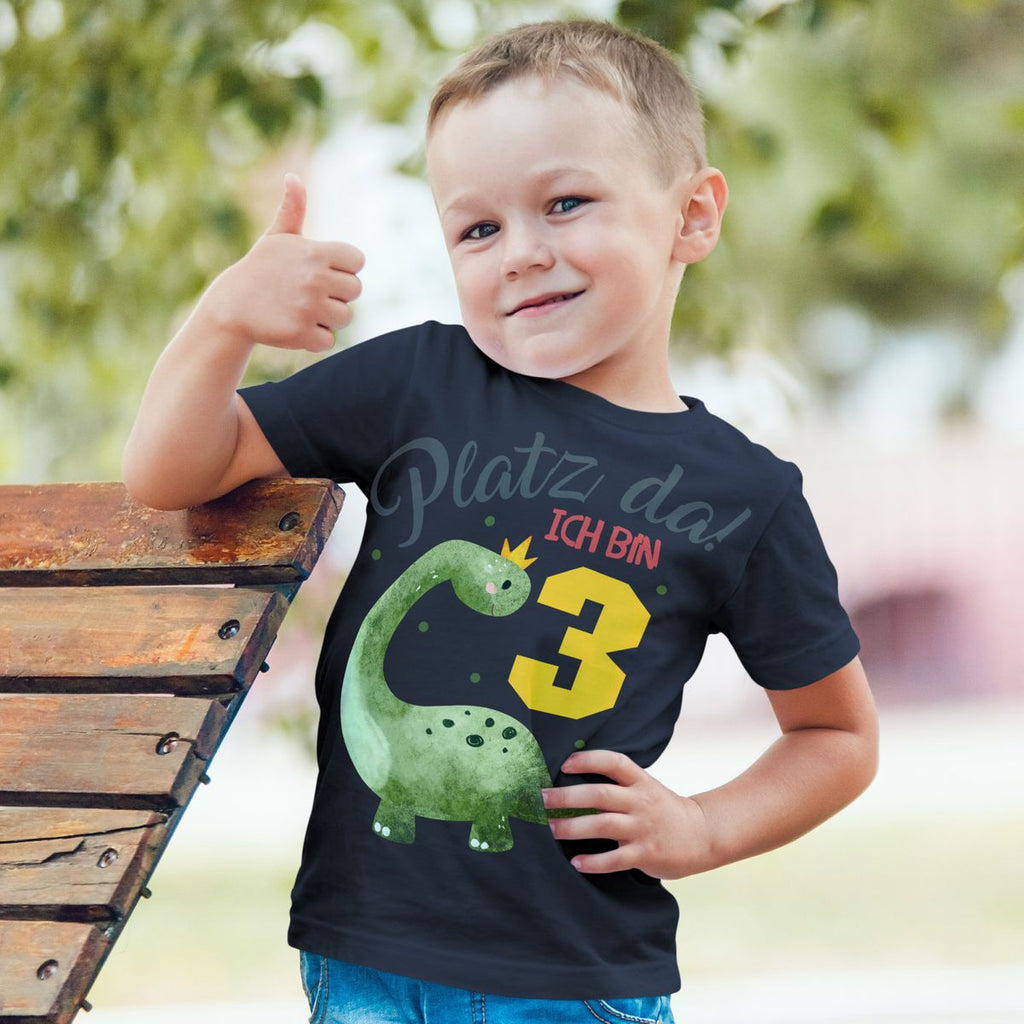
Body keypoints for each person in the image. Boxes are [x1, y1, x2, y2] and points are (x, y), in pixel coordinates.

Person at [123, 18, 878, 1024]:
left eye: (565, 203)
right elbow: (171, 471)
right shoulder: (416, 381)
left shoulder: (747, 492)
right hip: (365, 960)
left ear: (691, 216)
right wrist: (223, 318)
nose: (520, 254)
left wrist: (701, 826)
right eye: (476, 229)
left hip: (578, 979)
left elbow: (835, 734)